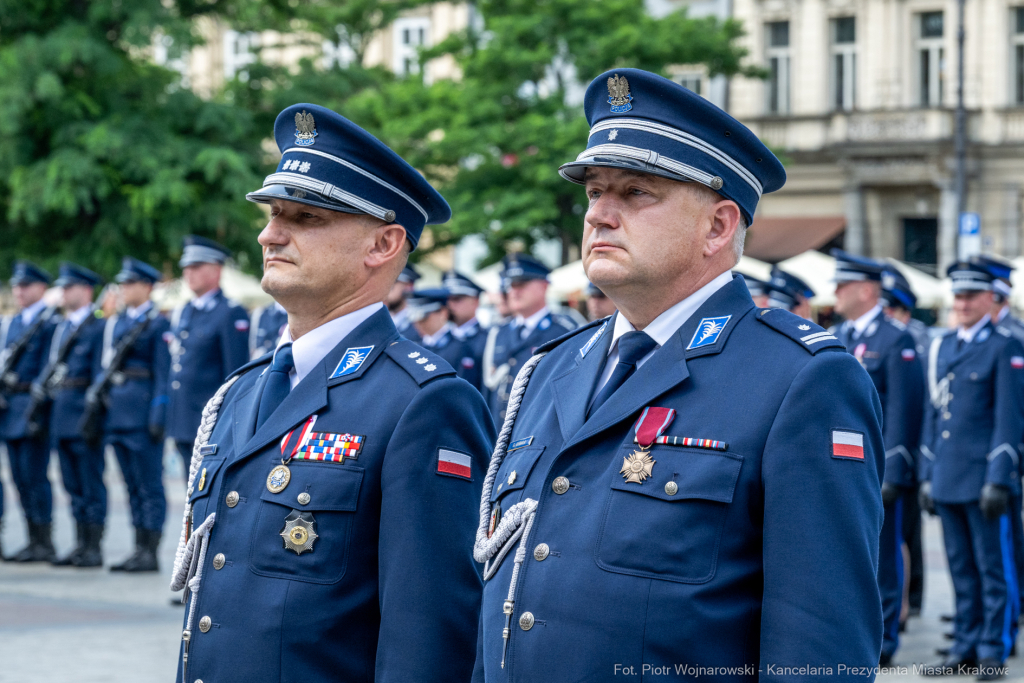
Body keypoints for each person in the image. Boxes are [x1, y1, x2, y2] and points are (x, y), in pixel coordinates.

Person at [472, 68, 884, 681]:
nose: (600, 215)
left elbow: (818, 646)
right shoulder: (552, 368)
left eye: (636, 193)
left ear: (717, 226)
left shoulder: (798, 379)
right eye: (593, 192)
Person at [169, 103, 495, 683]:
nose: (270, 233)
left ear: (382, 244)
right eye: (273, 214)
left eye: (305, 217)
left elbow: (429, 639)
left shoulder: (424, 403)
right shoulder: (240, 394)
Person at [919, 261, 1024, 679]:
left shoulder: (1004, 346)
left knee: (992, 568)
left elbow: (1009, 420)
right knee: (960, 568)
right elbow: (935, 412)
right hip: (948, 476)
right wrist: (928, 472)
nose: (960, 304)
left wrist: (1000, 477)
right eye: (957, 297)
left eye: (969, 296)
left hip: (983, 479)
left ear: (989, 298)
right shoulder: (944, 345)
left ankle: (991, 651)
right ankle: (963, 645)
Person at [831, 250, 925, 665]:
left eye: (842, 285)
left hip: (880, 469)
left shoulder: (895, 338)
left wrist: (896, 467)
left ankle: (885, 639)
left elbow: (905, 409)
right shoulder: (841, 336)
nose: (835, 292)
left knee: (885, 556)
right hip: (844, 468)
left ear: (866, 290)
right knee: (851, 556)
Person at [99, 258, 171, 572]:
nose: (124, 289)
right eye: (123, 283)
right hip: (119, 414)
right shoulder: (121, 322)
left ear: (147, 287)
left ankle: (150, 551)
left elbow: (162, 372)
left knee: (149, 485)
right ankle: (137, 546)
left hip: (142, 415)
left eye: (130, 284)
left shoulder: (158, 323)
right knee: (130, 485)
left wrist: (158, 412)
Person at [166, 236, 251, 475]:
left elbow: (235, 374)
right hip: (183, 416)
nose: (188, 273)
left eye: (196, 267)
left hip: (210, 420)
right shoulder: (186, 311)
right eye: (186, 268)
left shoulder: (230, 312)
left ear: (216, 270)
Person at [47, 264, 107, 567]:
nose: (64, 293)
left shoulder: (97, 328)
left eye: (69, 287)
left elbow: (99, 374)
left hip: (83, 413)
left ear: (85, 290)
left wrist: (92, 415)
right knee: (71, 484)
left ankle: (93, 546)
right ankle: (79, 542)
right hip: (62, 410)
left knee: (90, 481)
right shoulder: (62, 327)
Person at [1, 261, 59, 562]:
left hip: (33, 409)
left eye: (25, 285)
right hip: (10, 408)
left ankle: (44, 540)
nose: (19, 291)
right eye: (16, 286)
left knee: (35, 476)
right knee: (19, 477)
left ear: (41, 288)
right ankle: (31, 536)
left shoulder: (50, 324)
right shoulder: (12, 323)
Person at [881, 264, 929, 618]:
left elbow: (917, 403)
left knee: (908, 534)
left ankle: (912, 599)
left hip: (908, 453)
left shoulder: (913, 338)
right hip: (898, 453)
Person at [482, 254, 576, 427]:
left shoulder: (565, 331)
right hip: (498, 433)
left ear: (544, 286)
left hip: (539, 434)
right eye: (512, 285)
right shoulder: (499, 332)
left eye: (522, 284)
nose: (515, 291)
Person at [406, 288, 478, 386]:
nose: (418, 323)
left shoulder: (459, 348)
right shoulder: (415, 347)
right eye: (415, 318)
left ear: (443, 313)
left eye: (424, 317)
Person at [444, 269, 487, 390]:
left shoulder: (488, 339)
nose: (450, 305)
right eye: (447, 299)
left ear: (475, 301)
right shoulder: (440, 339)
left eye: (457, 299)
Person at [387, 264, 420, 341]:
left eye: (393, 282)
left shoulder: (419, 324)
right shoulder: (381, 321)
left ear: (409, 286)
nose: (387, 287)